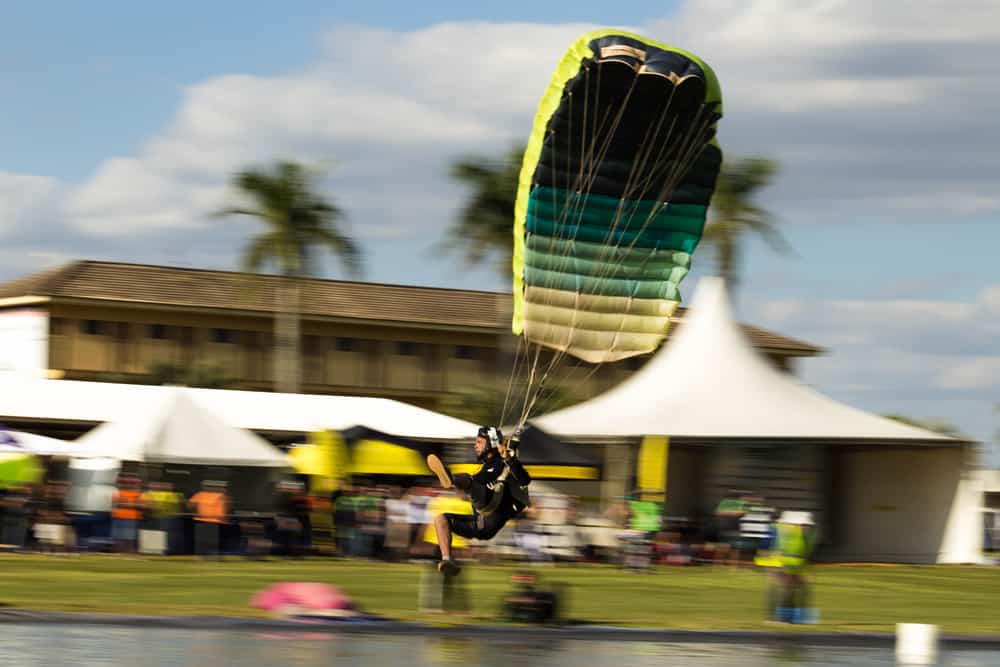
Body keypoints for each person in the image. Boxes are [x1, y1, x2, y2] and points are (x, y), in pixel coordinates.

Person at [426, 425, 531, 575]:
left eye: (479, 442)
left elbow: (525, 480)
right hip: (479, 522)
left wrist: (509, 458)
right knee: (440, 520)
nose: (475, 445)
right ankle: (447, 560)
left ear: (491, 443)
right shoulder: (484, 467)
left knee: (469, 480)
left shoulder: (504, 462)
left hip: (494, 512)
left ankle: (451, 478)